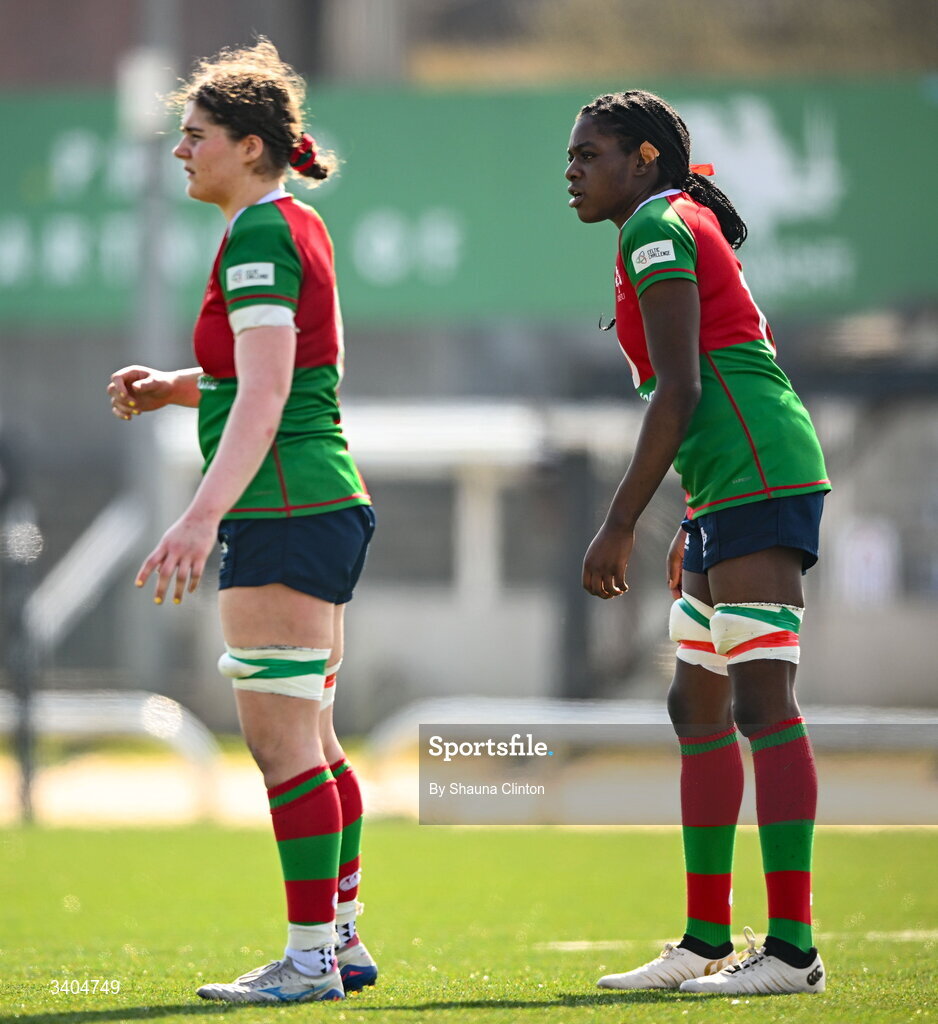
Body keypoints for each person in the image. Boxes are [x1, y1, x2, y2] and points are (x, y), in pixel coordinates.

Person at [108, 40, 377, 1004]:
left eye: (196, 135)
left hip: (286, 504)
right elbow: (260, 377)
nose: (180, 151)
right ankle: (338, 941)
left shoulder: (263, 233)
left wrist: (196, 516)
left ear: (251, 146)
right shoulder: (283, 223)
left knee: (281, 747)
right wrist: (175, 387)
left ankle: (309, 961)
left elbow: (266, 398)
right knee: (319, 740)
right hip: (315, 499)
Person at [566, 90, 830, 996]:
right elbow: (690, 392)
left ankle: (793, 952)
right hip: (726, 486)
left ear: (644, 157)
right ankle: (704, 940)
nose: (572, 171)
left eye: (588, 153)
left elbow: (679, 388)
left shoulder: (653, 226)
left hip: (762, 472)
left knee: (763, 704)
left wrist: (619, 523)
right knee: (697, 707)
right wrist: (691, 515)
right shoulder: (654, 222)